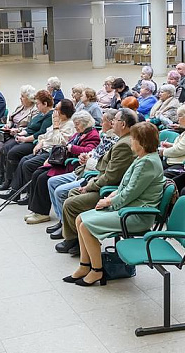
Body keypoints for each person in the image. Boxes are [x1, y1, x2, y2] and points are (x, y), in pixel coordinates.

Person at [64, 122, 165, 286]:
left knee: (86, 226)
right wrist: (112, 194)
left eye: (133, 139)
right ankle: (84, 266)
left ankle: (97, 270)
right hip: (129, 208)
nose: (131, 141)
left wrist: (108, 201)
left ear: (142, 142)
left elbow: (130, 192)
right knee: (80, 219)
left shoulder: (147, 162)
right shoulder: (143, 158)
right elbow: (126, 186)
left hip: (136, 214)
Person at [56, 108, 137, 255]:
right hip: (104, 183)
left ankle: (75, 240)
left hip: (110, 191)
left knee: (71, 203)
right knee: (72, 192)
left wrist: (90, 186)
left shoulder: (124, 144)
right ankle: (79, 239)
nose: (112, 123)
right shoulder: (122, 140)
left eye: (115, 120)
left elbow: (111, 177)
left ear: (123, 124)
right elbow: (106, 171)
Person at [46, 109, 119, 236]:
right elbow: (94, 152)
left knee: (59, 190)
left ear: (112, 123)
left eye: (103, 121)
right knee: (51, 181)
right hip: (83, 170)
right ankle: (62, 221)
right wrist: (86, 156)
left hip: (91, 175)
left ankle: (67, 228)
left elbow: (103, 166)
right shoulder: (104, 135)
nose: (101, 124)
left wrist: (84, 157)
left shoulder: (104, 138)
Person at [24, 111, 101, 224]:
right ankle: (36, 210)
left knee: (43, 178)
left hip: (73, 165)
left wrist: (71, 148)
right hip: (64, 162)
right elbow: (66, 143)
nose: (75, 126)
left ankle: (42, 213)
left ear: (85, 123)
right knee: (37, 173)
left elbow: (88, 150)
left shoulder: (93, 135)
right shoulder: (80, 133)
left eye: (77, 124)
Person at [0, 99, 76, 202]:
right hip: (44, 148)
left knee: (28, 164)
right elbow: (45, 134)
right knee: (23, 160)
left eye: (57, 109)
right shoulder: (58, 120)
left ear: (64, 112)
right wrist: (40, 142)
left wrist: (56, 127)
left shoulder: (69, 125)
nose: (55, 111)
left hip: (53, 153)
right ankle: (14, 191)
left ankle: (30, 195)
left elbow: (59, 143)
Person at [0, 90, 54, 191]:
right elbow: (30, 127)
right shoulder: (41, 114)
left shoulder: (50, 116)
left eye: (38, 104)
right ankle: (4, 178)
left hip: (34, 141)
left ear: (45, 104)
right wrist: (20, 132)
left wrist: (25, 139)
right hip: (27, 137)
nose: (37, 106)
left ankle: (11, 182)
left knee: (13, 152)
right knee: (5, 148)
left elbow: (41, 133)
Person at [0, 85, 37, 185]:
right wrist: (8, 125)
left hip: (19, 134)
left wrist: (17, 130)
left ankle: (3, 176)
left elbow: (31, 127)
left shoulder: (34, 110)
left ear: (29, 98)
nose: (20, 98)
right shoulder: (20, 107)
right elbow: (11, 119)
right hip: (9, 132)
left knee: (1, 148)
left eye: (23, 96)